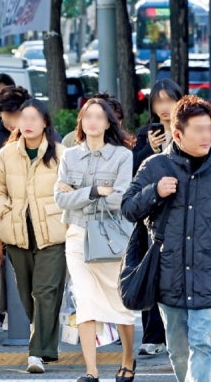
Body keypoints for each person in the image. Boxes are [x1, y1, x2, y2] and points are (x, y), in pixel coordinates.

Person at [121, 95, 211, 382]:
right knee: (177, 350)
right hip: (168, 277)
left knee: (203, 345)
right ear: (177, 134)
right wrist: (154, 192)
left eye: (208, 129)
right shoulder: (154, 167)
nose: (206, 136)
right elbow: (128, 208)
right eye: (198, 130)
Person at [55, 98, 136, 382]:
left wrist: (81, 192)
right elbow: (60, 198)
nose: (92, 122)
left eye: (99, 117)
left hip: (111, 237)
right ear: (81, 122)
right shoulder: (69, 155)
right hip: (77, 235)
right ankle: (91, 371)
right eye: (87, 116)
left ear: (108, 123)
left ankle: (128, 359)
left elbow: (121, 197)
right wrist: (95, 190)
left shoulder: (122, 156)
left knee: (119, 302)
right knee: (86, 302)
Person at [0, 99, 67, 374]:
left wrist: (58, 207)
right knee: (26, 293)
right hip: (17, 234)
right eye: (24, 118)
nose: (28, 123)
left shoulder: (62, 154)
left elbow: (73, 189)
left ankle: (37, 352)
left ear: (45, 123)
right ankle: (44, 342)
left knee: (46, 291)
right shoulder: (7, 154)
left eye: (35, 118)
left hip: (53, 234)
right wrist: (6, 211)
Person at [131, 79, 183, 358]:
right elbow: (134, 174)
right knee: (150, 273)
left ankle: (176, 334)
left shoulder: (188, 131)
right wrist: (148, 150)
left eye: (169, 100)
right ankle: (152, 336)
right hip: (152, 218)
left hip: (181, 214)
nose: (164, 107)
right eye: (158, 101)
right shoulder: (145, 134)